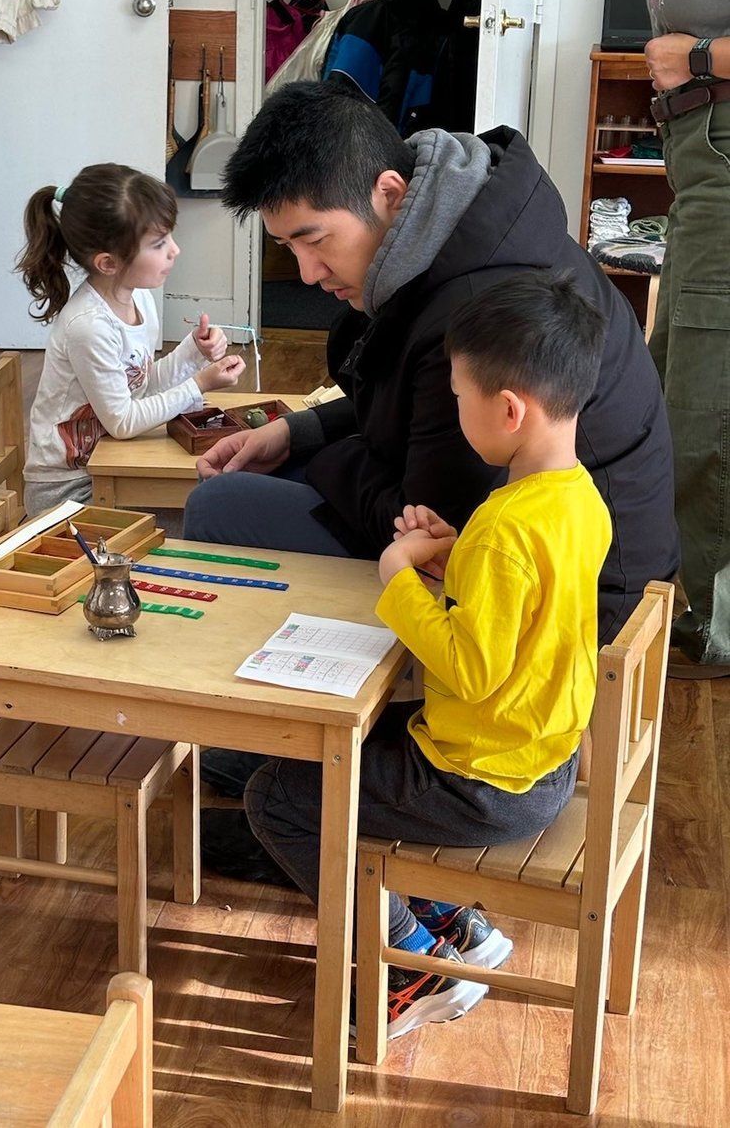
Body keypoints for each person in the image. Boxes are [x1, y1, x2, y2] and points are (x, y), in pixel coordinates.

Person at [186, 80, 677, 863]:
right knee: (254, 497)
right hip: (554, 577)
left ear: (389, 191)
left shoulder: (474, 312)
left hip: (547, 622)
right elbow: (401, 409)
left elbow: (429, 508)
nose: (308, 274)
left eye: (316, 241)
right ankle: (279, 752)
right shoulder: (455, 231)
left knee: (219, 514)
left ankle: (296, 820)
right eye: (291, 251)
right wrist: (300, 430)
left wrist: (327, 459)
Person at [243, 271, 613, 1039]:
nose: (451, 407)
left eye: (457, 394)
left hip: (483, 778)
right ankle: (451, 922)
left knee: (278, 794)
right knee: (335, 757)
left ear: (509, 409)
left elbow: (470, 669)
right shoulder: (576, 498)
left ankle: (411, 963)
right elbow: (525, 617)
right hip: (540, 756)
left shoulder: (503, 527)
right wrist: (453, 562)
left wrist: (396, 575)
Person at [18, 163, 244, 515]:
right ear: (108, 263)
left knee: (215, 503)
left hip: (111, 463)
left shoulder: (138, 298)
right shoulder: (89, 326)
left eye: (169, 236)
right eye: (158, 243)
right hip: (69, 492)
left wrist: (193, 352)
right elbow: (123, 422)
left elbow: (140, 385)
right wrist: (199, 384)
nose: (175, 250)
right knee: (201, 521)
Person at [641, 0, 730, 677]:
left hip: (725, 161)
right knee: (672, 381)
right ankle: (672, 597)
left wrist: (697, 59)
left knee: (706, 410)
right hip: (698, 160)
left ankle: (706, 624)